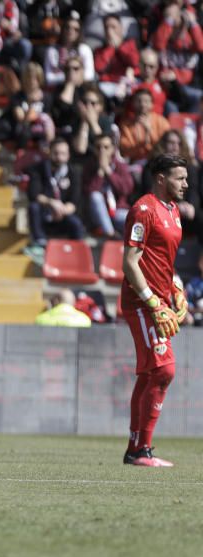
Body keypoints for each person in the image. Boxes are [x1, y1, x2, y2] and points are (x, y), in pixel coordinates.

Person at [119, 152, 190, 467]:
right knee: (163, 370)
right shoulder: (143, 210)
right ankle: (140, 450)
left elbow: (163, 259)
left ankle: (137, 449)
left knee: (151, 374)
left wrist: (175, 286)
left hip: (160, 299)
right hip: (141, 300)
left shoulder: (173, 211)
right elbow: (130, 263)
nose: (186, 184)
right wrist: (152, 302)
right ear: (161, 178)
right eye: (180, 178)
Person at [24, 137, 85, 260]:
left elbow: (74, 201)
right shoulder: (38, 169)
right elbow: (34, 194)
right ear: (49, 152)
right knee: (33, 207)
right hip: (44, 214)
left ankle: (78, 255)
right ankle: (39, 245)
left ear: (68, 155)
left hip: (63, 216)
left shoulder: (74, 172)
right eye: (56, 153)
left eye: (63, 153)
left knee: (76, 223)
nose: (59, 157)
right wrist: (51, 203)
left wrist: (62, 210)